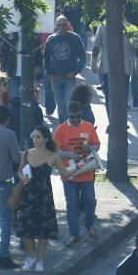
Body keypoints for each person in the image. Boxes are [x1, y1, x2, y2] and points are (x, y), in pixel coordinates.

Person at [16, 125, 68, 272]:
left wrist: (80, 167)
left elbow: (65, 172)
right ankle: (31, 256)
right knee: (25, 229)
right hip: (28, 196)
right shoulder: (26, 154)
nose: (34, 139)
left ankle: (40, 260)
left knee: (43, 231)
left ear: (45, 139)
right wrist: (22, 177)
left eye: (38, 136)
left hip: (44, 197)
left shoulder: (53, 155)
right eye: (33, 136)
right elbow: (19, 171)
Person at [54, 102, 101, 247]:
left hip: (86, 172)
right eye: (72, 117)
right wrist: (71, 155)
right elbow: (55, 151)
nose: (75, 120)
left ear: (81, 114)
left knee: (91, 201)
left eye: (78, 117)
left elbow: (97, 145)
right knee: (72, 205)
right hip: (69, 174)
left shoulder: (88, 126)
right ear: (68, 114)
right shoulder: (60, 129)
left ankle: (89, 224)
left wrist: (90, 147)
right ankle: (74, 234)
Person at [42, 16, 86, 123]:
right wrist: (49, 73)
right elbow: (46, 58)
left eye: (63, 25)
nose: (61, 27)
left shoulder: (75, 38)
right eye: (58, 25)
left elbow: (83, 57)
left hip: (69, 77)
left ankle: (68, 124)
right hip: (55, 78)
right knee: (60, 105)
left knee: (68, 102)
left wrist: (75, 71)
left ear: (68, 24)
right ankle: (62, 124)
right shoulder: (51, 39)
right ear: (56, 26)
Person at [0, 105, 20, 269]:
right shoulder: (9, 134)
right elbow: (16, 158)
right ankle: (3, 255)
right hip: (3, 182)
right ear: (7, 118)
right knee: (5, 220)